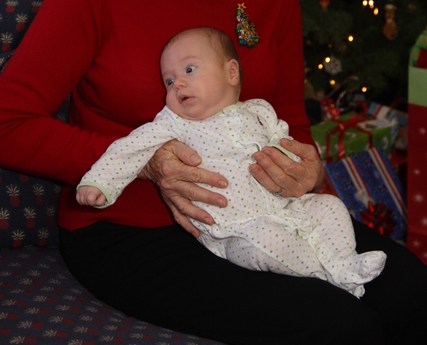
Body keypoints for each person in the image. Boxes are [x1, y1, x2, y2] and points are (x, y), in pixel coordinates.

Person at [0, 0, 425, 345]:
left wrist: (303, 166)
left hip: (267, 216)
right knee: (337, 327)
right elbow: (7, 122)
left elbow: (289, 122)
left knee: (413, 294)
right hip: (131, 229)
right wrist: (147, 162)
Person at [77, 26, 386, 298]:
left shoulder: (260, 111)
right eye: (169, 81)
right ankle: (326, 275)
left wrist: (294, 164)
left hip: (288, 207)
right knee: (269, 243)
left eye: (189, 70)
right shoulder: (173, 122)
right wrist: (100, 182)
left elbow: (285, 141)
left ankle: (344, 260)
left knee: (330, 206)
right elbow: (130, 148)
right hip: (235, 232)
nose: (177, 85)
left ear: (231, 73)